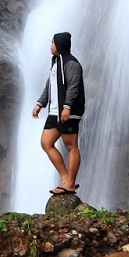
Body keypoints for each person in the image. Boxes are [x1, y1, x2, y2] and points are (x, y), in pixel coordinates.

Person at [30, 31, 85, 196]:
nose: (50, 46)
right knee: (46, 142)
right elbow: (50, 86)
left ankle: (69, 184)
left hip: (68, 112)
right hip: (54, 112)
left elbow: (74, 87)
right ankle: (65, 178)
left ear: (59, 45)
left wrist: (67, 107)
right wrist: (40, 104)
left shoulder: (72, 64)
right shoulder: (56, 63)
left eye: (52, 43)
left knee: (71, 146)